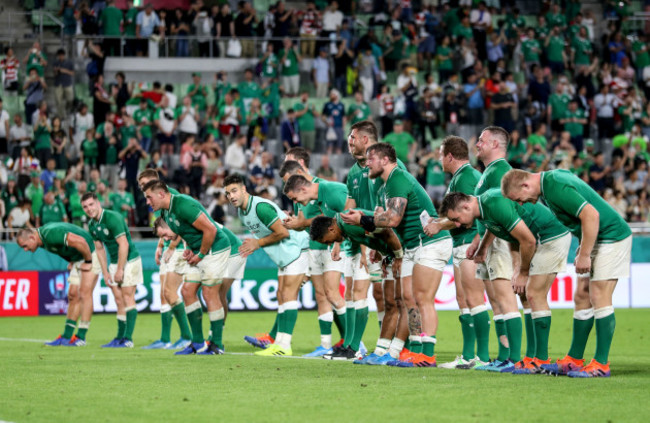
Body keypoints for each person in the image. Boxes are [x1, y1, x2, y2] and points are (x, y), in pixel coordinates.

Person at [501, 168, 632, 378]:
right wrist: (583, 246)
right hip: (599, 237)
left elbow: (591, 214)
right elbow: (581, 217)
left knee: (599, 295)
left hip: (612, 236)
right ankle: (574, 359)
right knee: (582, 296)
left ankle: (601, 363)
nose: (522, 204)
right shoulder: (550, 184)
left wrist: (585, 254)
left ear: (525, 185)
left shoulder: (554, 186)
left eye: (519, 199)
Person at [341, 143, 453, 367]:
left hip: (429, 243)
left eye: (371, 160)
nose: (367, 165)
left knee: (422, 300)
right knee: (407, 299)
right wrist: (386, 252)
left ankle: (427, 354)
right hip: (412, 246)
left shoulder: (397, 178)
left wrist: (362, 219)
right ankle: (411, 351)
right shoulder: (384, 186)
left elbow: (392, 219)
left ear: (384, 160)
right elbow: (387, 222)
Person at [421, 136, 490, 369]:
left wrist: (439, 225)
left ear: (450, 156)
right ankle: (468, 355)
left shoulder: (468, 178)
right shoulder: (459, 178)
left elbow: (467, 217)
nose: (439, 159)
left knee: (474, 299)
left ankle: (482, 357)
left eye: (441, 155)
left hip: (472, 243)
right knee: (464, 299)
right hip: (461, 244)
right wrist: (438, 221)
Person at [344, 120, 407, 365]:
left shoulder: (391, 168)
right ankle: (386, 345)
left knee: (402, 297)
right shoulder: (354, 172)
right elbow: (356, 210)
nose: (349, 141)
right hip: (378, 238)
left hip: (395, 238)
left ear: (366, 140)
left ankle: (407, 346)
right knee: (384, 296)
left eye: (353, 137)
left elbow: (394, 211)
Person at [225, 174, 309, 357]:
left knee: (289, 295)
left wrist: (257, 243)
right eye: (227, 194)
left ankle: (284, 345)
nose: (231, 196)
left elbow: (283, 233)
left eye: (234, 191)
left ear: (244, 190)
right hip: (285, 256)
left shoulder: (260, 207)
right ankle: (278, 343)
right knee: (281, 295)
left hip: (298, 249)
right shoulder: (242, 212)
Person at [460, 126, 523, 372]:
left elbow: (502, 215)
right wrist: (480, 242)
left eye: (482, 141)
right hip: (490, 240)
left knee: (505, 297)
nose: (477, 144)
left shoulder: (503, 172)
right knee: (496, 300)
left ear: (496, 144)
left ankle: (514, 359)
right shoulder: (488, 172)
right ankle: (505, 355)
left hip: (501, 241)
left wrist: (483, 242)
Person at [144, 180, 231, 355]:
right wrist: (190, 250)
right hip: (199, 251)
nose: (147, 201)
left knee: (209, 293)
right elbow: (187, 232)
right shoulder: (166, 213)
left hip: (215, 248)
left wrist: (200, 253)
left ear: (161, 194)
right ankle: (197, 342)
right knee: (187, 291)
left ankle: (217, 344)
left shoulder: (183, 204)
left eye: (149, 197)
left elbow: (210, 230)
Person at [278, 158, 345, 357]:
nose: (287, 184)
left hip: (331, 244)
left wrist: (339, 243)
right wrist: (291, 221)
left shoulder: (323, 189)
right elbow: (303, 220)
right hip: (313, 246)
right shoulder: (301, 195)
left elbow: (335, 218)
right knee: (321, 295)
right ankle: (325, 344)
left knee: (333, 294)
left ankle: (354, 343)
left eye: (289, 179)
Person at [16, 223, 100, 346]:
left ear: (32, 238)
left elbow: (81, 241)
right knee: (72, 295)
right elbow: (61, 248)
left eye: (25, 246)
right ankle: (66, 337)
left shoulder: (49, 234)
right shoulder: (42, 241)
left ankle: (81, 337)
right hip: (78, 257)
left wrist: (88, 261)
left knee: (84, 294)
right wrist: (71, 259)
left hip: (91, 252)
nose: (25, 249)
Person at [82, 192, 143, 348]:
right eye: (85, 207)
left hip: (129, 259)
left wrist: (120, 269)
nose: (89, 209)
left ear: (98, 203)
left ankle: (128, 339)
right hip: (115, 263)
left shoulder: (112, 217)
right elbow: (100, 249)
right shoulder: (92, 225)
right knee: (118, 299)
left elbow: (124, 244)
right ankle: (119, 337)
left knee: (128, 296)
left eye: (91, 204)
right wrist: (106, 271)